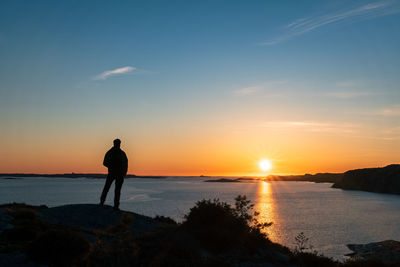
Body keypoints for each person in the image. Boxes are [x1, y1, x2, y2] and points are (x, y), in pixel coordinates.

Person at [100, 138, 128, 210]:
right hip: (112, 173)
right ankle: (102, 202)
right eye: (117, 143)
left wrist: (124, 173)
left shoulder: (122, 153)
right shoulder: (110, 152)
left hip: (119, 175)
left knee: (117, 190)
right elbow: (104, 162)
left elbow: (125, 164)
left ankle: (116, 206)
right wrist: (112, 166)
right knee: (107, 188)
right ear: (114, 143)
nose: (118, 144)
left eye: (118, 143)